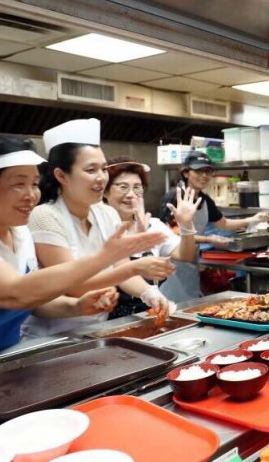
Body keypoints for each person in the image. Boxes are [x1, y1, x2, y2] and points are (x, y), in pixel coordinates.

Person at [0, 135, 165, 367]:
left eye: (34, 183)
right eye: (18, 184)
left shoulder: (19, 232)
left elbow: (34, 300)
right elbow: (14, 294)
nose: (31, 195)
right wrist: (106, 258)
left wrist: (75, 307)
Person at [24, 118, 173, 336]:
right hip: (51, 335)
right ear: (61, 175)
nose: (101, 177)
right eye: (91, 170)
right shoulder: (44, 217)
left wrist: (148, 292)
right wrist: (135, 268)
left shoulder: (106, 213)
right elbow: (73, 285)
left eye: (103, 169)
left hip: (96, 330)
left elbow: (120, 267)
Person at [158, 150, 268, 302]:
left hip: (191, 264)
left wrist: (252, 220)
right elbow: (172, 234)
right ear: (186, 173)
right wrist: (209, 239)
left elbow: (223, 223)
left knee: (188, 305)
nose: (204, 176)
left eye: (208, 171)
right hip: (171, 264)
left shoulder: (204, 200)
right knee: (169, 305)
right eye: (198, 171)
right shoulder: (174, 197)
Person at [103, 156, 200, 317]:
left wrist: (186, 226)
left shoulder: (153, 225)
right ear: (105, 191)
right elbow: (120, 270)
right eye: (123, 187)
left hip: (148, 314)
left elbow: (185, 255)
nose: (131, 194)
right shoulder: (100, 228)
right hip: (108, 318)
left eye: (137, 187)